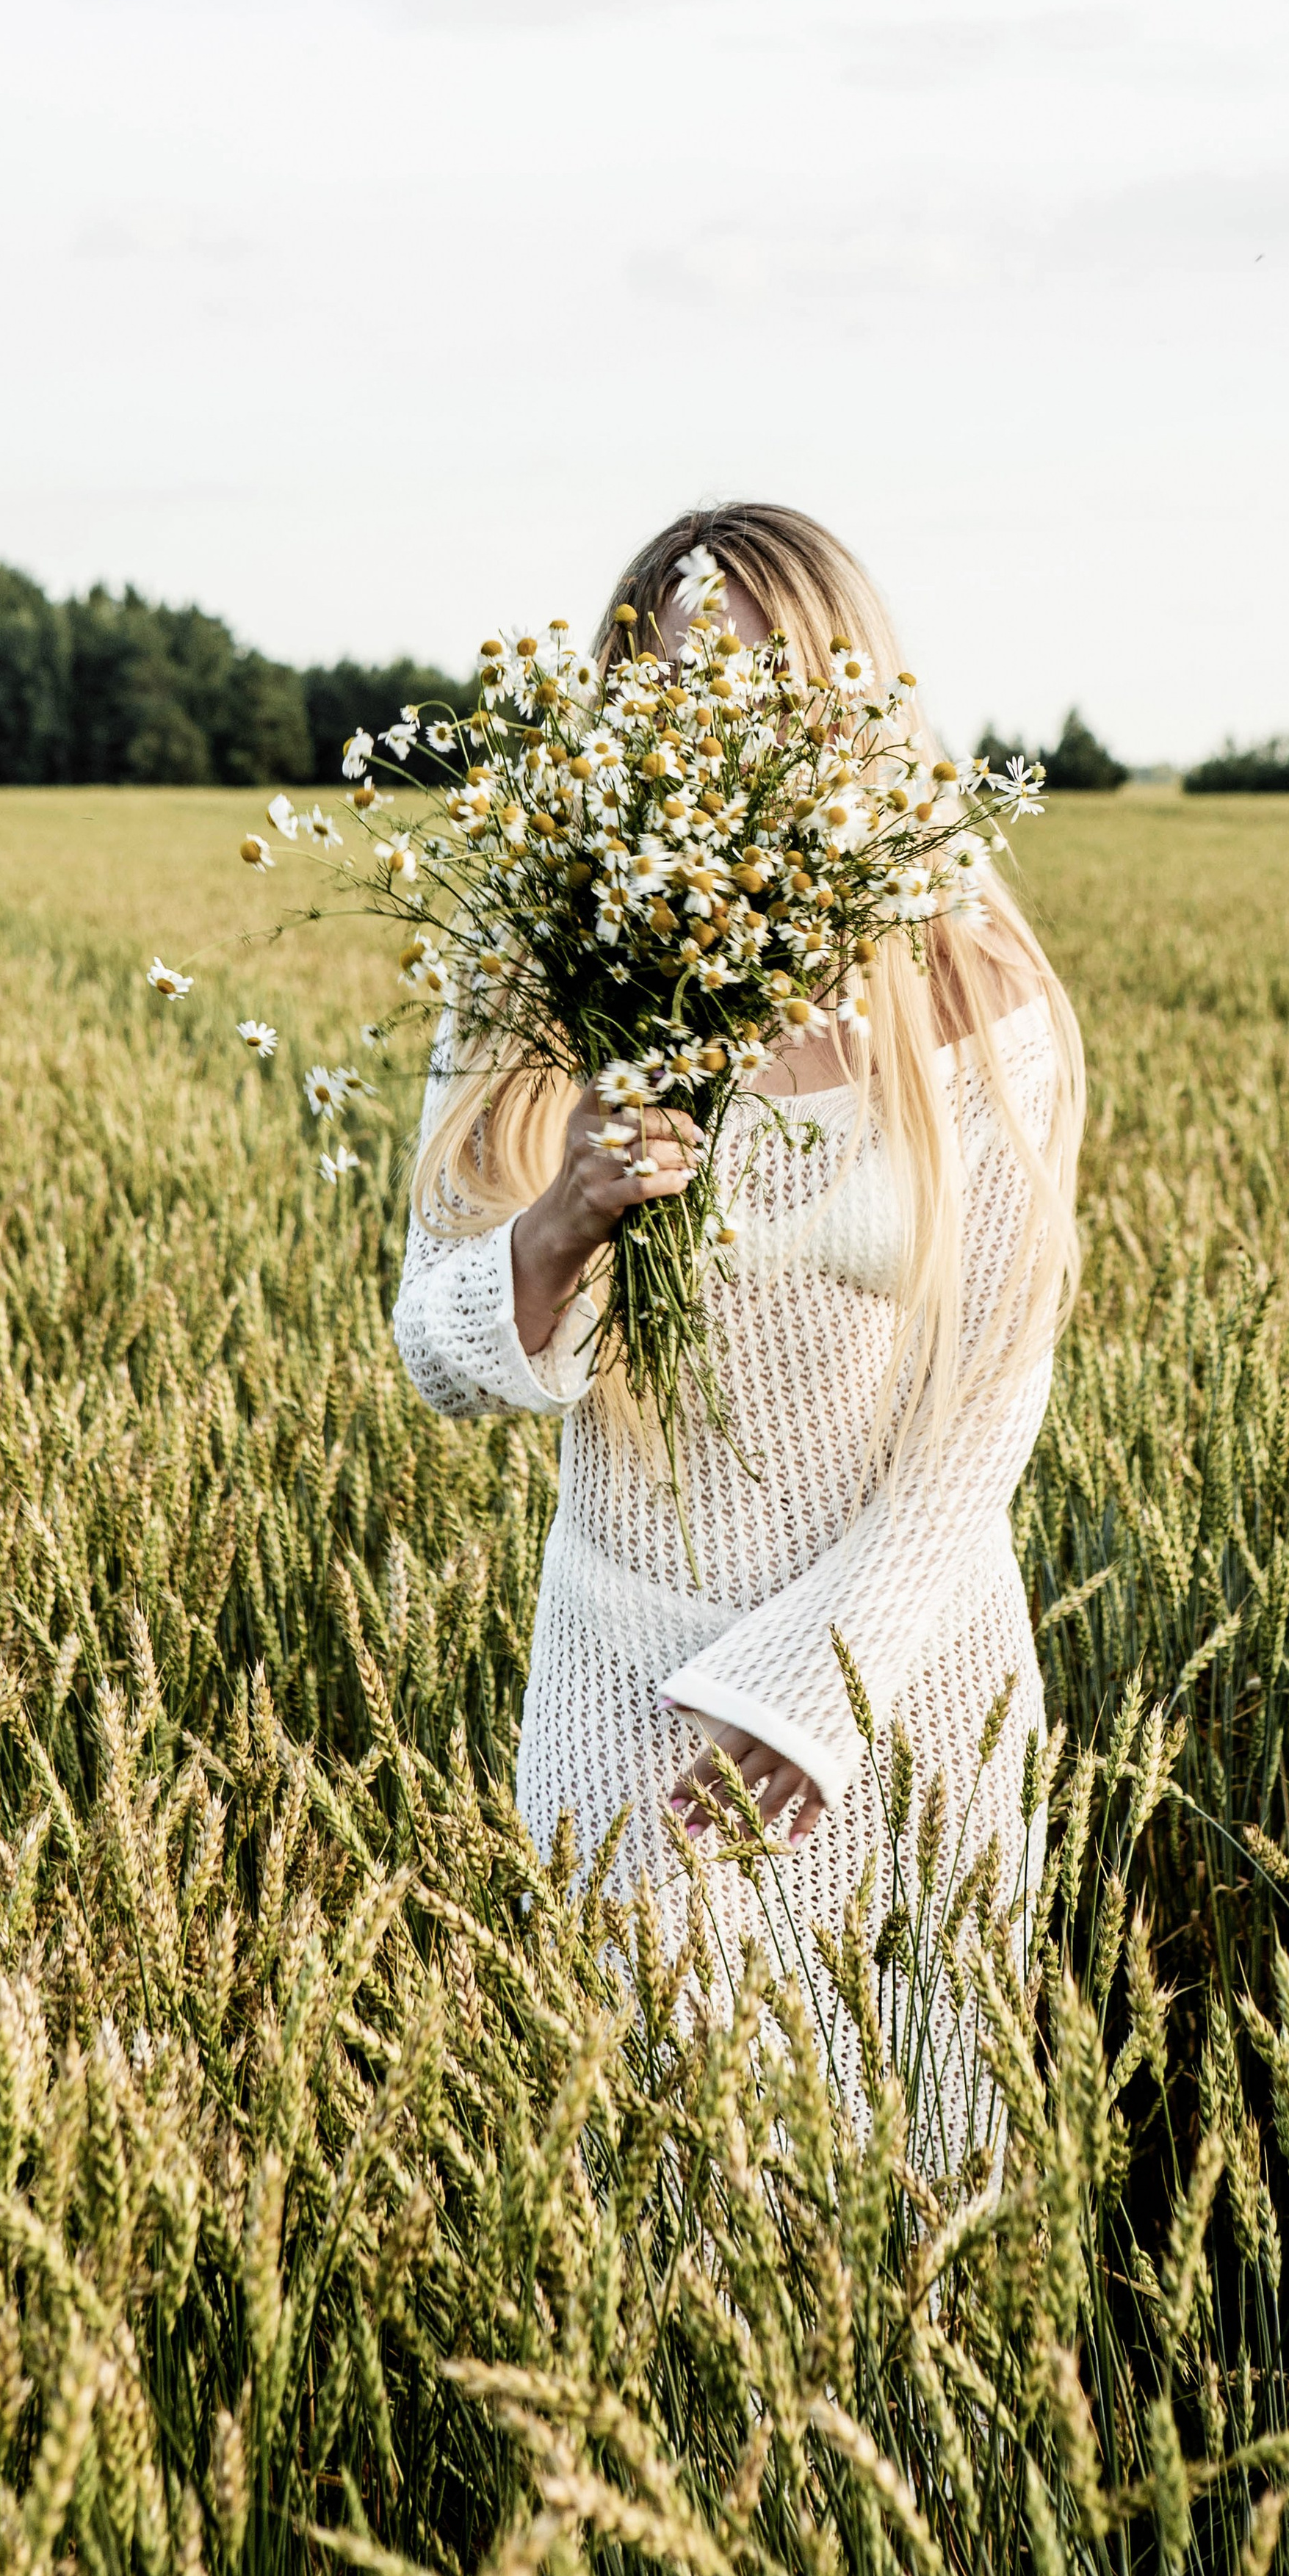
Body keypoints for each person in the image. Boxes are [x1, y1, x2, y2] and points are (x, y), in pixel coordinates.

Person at [393, 503, 1085, 2157]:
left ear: (857, 708)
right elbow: (429, 1344)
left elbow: (989, 1403)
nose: (729, 736)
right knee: (650, 2205)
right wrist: (557, 1220)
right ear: (623, 723)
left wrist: (810, 1690)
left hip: (906, 1691)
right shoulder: (540, 973)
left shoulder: (983, 996)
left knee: (917, 2195)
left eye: (773, 693)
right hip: (617, 1688)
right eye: (682, 696)